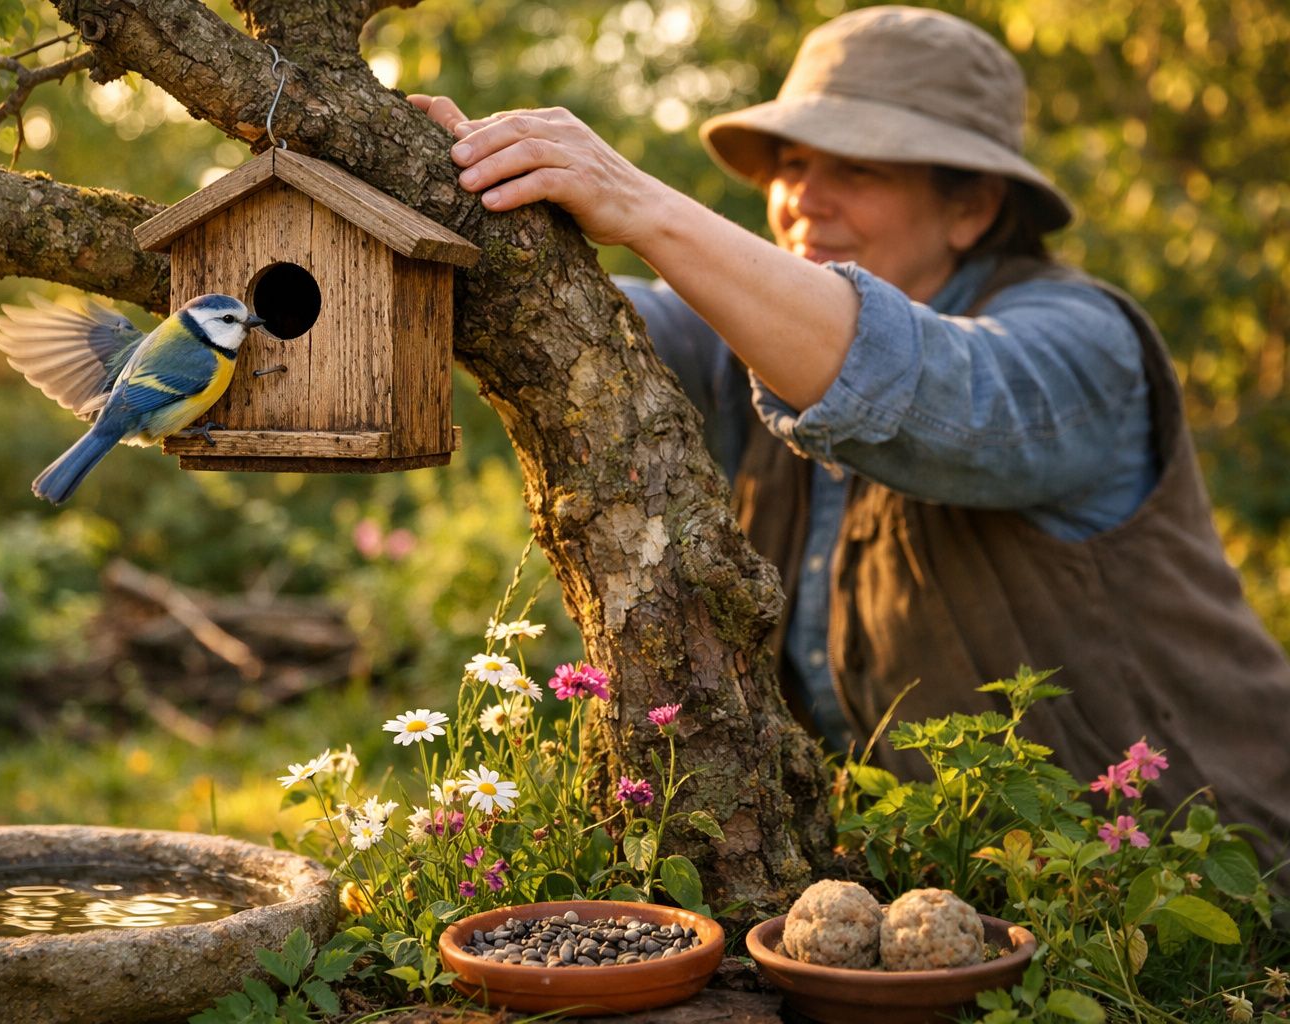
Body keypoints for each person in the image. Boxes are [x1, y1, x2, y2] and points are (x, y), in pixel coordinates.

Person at [410, 5, 1290, 848]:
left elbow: (925, 384)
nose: (803, 203)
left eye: (859, 169)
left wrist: (646, 207)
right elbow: (596, 319)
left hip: (1194, 913)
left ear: (971, 207)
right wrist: (430, 224)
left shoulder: (1082, 346)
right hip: (954, 907)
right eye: (790, 165)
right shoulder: (751, 336)